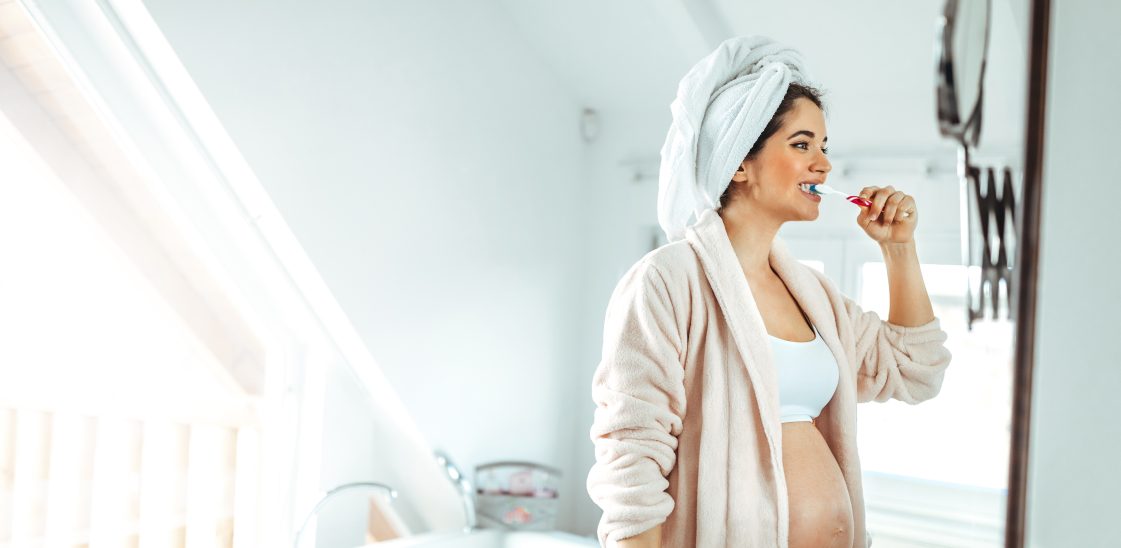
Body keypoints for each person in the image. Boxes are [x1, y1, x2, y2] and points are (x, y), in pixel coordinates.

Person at [585, 35, 952, 548]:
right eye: (801, 145)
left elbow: (917, 371)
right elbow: (632, 458)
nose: (823, 164)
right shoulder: (668, 282)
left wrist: (899, 250)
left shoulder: (815, 297)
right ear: (740, 161)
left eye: (824, 148)